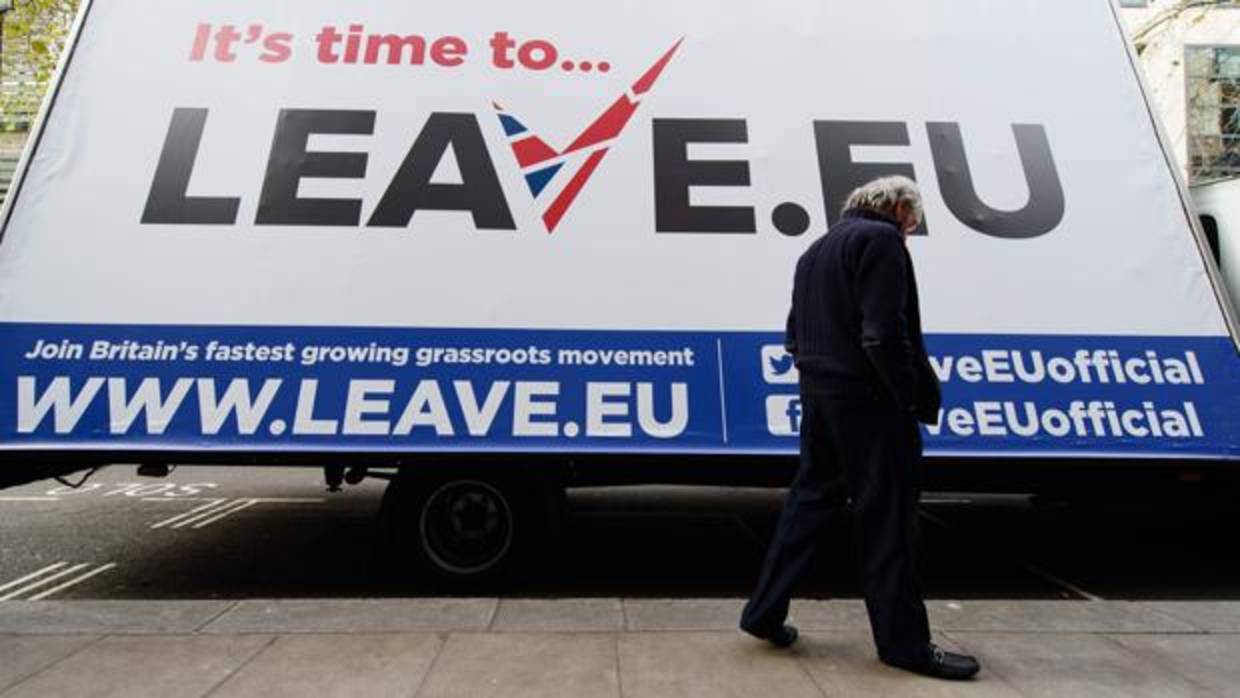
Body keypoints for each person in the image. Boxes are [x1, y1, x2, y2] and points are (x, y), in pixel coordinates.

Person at [739, 176, 980, 681]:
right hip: (870, 402)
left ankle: (763, 613)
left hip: (819, 396)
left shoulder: (816, 250)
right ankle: (905, 646)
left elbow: (792, 334)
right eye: (911, 224)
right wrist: (907, 394)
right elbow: (883, 331)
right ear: (895, 208)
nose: (909, 234)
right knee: (888, 521)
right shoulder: (881, 241)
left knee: (808, 504)